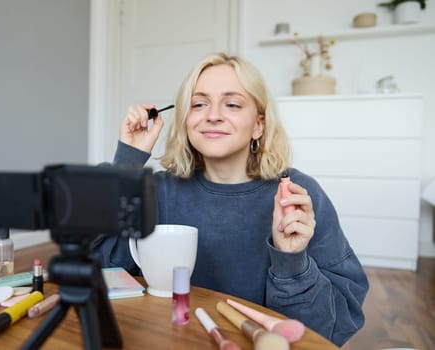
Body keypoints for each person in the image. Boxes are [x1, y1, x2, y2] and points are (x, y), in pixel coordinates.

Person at [93, 52, 368, 346]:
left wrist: (291, 261)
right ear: (186, 119)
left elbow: (329, 328)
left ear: (259, 125)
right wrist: (127, 163)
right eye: (199, 104)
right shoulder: (158, 190)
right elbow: (100, 267)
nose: (212, 115)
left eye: (233, 104)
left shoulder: (297, 196)